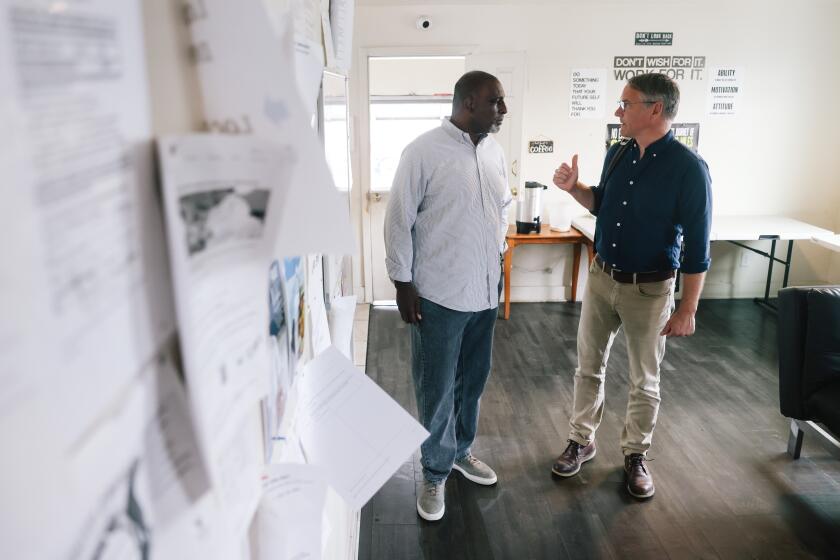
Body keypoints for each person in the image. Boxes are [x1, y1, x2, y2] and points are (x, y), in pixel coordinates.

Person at [550, 73, 712, 499]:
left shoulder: (689, 169)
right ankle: (580, 440)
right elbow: (602, 203)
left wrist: (688, 308)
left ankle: (635, 455)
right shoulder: (618, 153)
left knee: (645, 379)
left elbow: (698, 246)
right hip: (603, 277)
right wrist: (575, 189)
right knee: (588, 366)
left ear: (655, 109)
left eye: (626, 103)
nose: (618, 111)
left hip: (651, 290)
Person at [384, 70, 512, 521]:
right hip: (438, 295)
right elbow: (399, 220)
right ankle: (435, 471)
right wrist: (403, 283)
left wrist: (497, 257)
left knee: (472, 382)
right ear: (468, 103)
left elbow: (502, 209)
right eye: (496, 101)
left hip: (483, 293)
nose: (503, 110)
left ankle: (459, 450)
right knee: (436, 386)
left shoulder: (494, 151)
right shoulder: (422, 153)